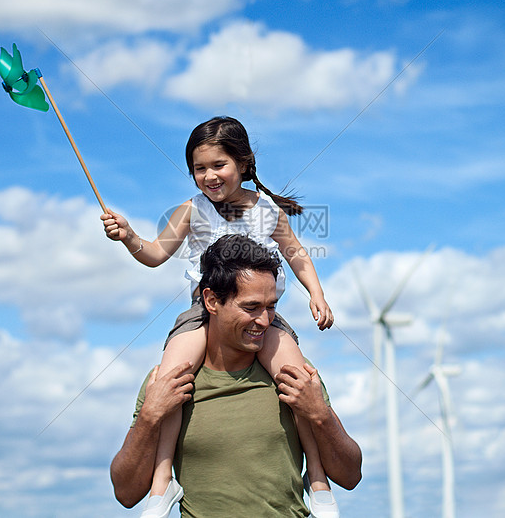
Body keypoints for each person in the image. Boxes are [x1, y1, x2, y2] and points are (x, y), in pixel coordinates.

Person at [101, 117, 338, 517]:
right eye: (199, 168)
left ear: (243, 164)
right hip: (201, 313)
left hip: (261, 314)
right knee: (173, 377)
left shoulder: (267, 212)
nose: (209, 176)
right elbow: (155, 253)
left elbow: (297, 254)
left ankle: (317, 477)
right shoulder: (190, 211)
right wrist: (128, 237)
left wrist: (317, 293)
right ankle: (162, 484)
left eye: (218, 165)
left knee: (298, 380)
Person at [110, 235, 362, 517]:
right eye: (251, 308)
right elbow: (126, 494)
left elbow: (350, 476)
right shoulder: (168, 382)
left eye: (271, 307)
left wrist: (320, 415)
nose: (265, 321)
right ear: (211, 300)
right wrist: (149, 417)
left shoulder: (296, 376)